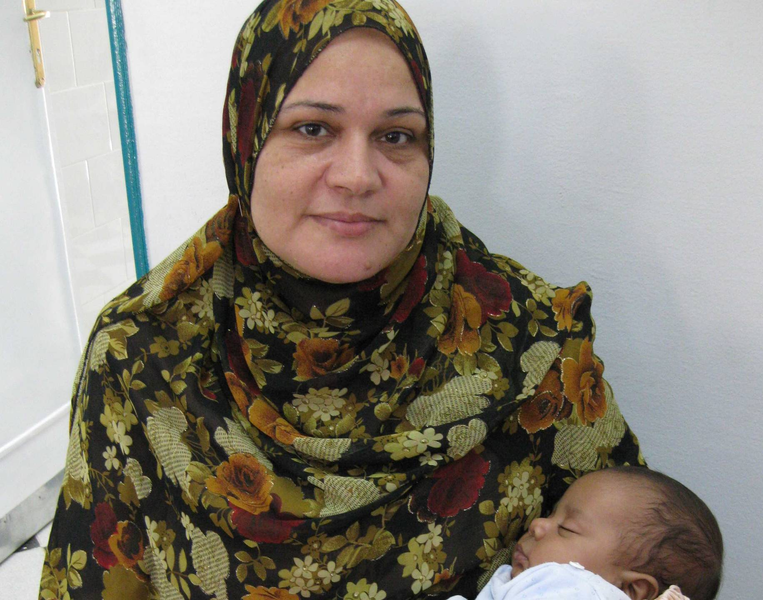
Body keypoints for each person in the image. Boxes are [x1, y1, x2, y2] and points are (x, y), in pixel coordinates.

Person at [39, 1, 644, 599]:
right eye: (313, 129)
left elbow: (640, 566)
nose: (357, 175)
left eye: (395, 136)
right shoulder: (141, 356)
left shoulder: (533, 342)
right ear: (246, 140)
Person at [447, 467, 723, 600]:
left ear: (630, 590)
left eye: (566, 528)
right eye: (552, 513)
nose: (537, 525)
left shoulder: (574, 589)